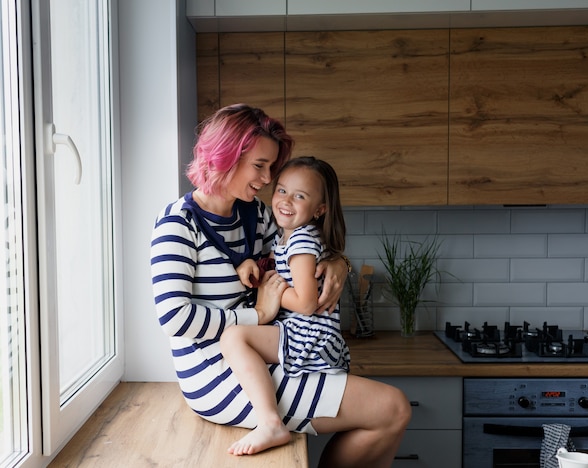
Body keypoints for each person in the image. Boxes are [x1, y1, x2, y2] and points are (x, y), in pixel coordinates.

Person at [150, 103, 410, 468]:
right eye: (259, 165)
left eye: (271, 167)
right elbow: (175, 319)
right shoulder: (178, 225)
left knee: (391, 409)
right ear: (226, 155)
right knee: (393, 408)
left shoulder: (253, 212)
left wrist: (338, 261)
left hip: (259, 354)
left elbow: (297, 254)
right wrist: (256, 315)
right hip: (216, 372)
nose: (267, 178)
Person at [221, 156, 351, 456]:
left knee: (233, 337)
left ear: (320, 209)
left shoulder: (302, 240)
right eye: (281, 191)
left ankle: (270, 423)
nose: (286, 200)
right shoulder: (291, 236)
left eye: (300, 196)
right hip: (312, 335)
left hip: (308, 334)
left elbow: (305, 303)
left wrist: (272, 285)